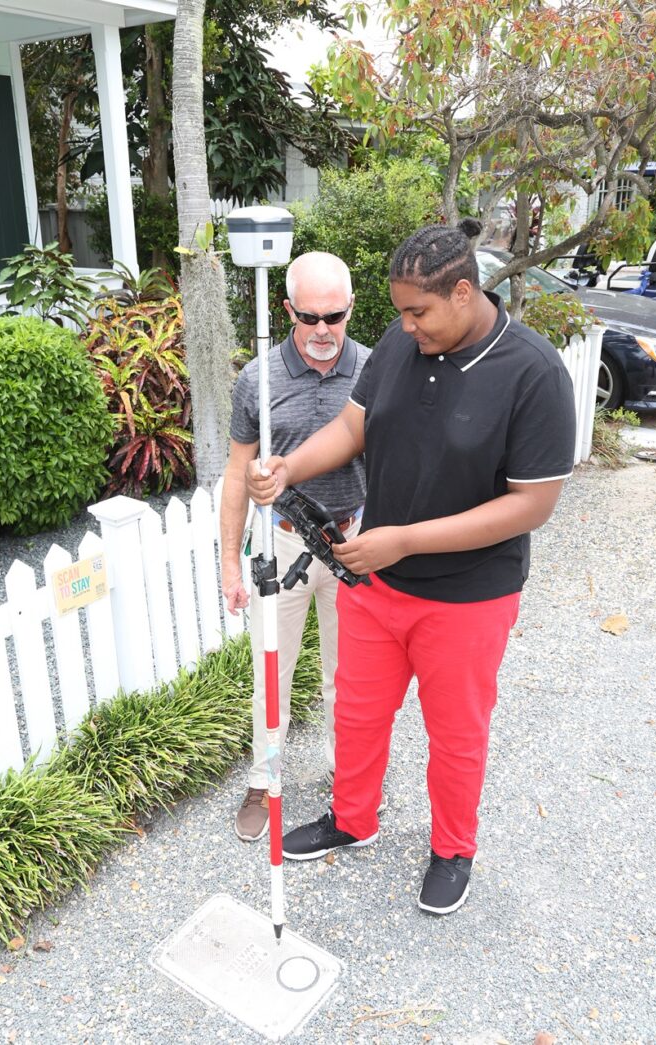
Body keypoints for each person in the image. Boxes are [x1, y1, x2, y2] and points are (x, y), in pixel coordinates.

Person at [246, 219, 577, 914]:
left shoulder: (533, 372)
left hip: (468, 597)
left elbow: (531, 505)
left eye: (417, 311)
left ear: (463, 292)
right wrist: (286, 467)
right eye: (399, 311)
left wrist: (405, 539)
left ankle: (454, 847)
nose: (404, 326)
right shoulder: (401, 344)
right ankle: (352, 818)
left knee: (456, 733)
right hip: (376, 580)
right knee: (358, 714)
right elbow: (352, 426)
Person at [221, 251, 371, 842]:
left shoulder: (374, 371)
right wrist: (229, 562)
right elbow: (237, 475)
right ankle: (264, 778)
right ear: (287, 311)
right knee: (271, 669)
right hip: (281, 545)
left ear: (350, 308)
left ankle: (347, 777)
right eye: (309, 318)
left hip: (351, 542)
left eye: (334, 316)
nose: (323, 331)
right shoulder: (257, 380)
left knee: (349, 676)